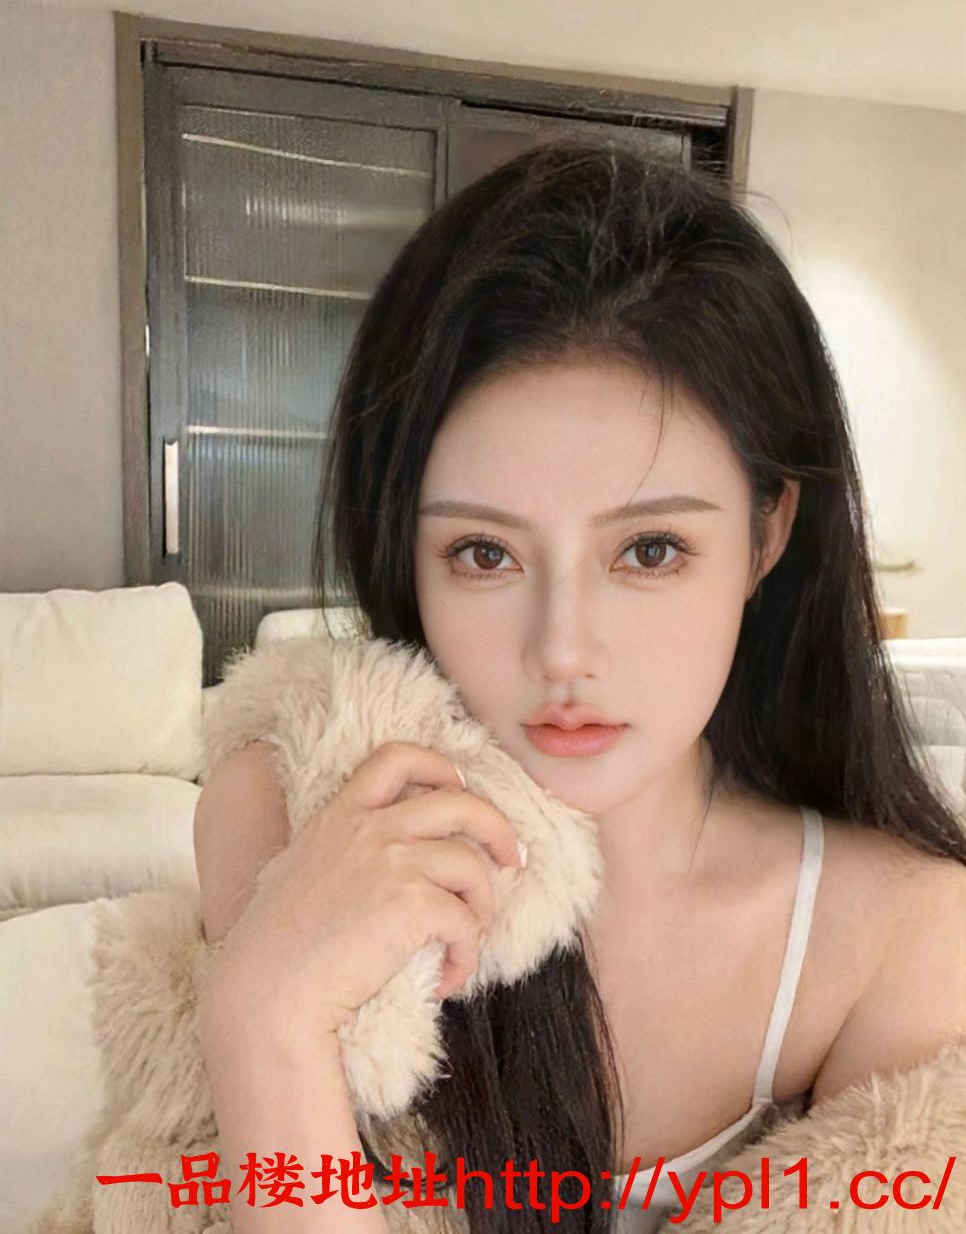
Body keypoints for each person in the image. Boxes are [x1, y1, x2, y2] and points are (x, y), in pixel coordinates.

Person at [193, 138, 966, 1233]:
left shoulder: (895, 933)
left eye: (649, 550)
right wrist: (262, 1018)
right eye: (484, 553)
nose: (564, 650)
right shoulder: (289, 818)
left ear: (766, 536)